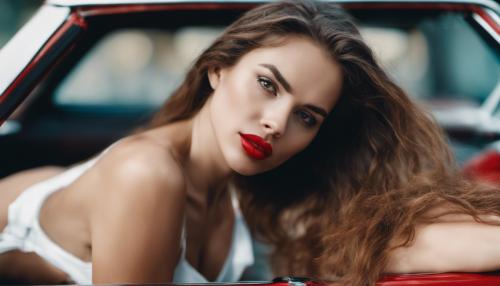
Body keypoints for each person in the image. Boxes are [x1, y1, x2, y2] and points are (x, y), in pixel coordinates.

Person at [1, 1, 499, 285]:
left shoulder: (257, 193)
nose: (276, 124)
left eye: (307, 116)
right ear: (217, 68)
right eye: (268, 84)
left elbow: (393, 249)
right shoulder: (146, 175)